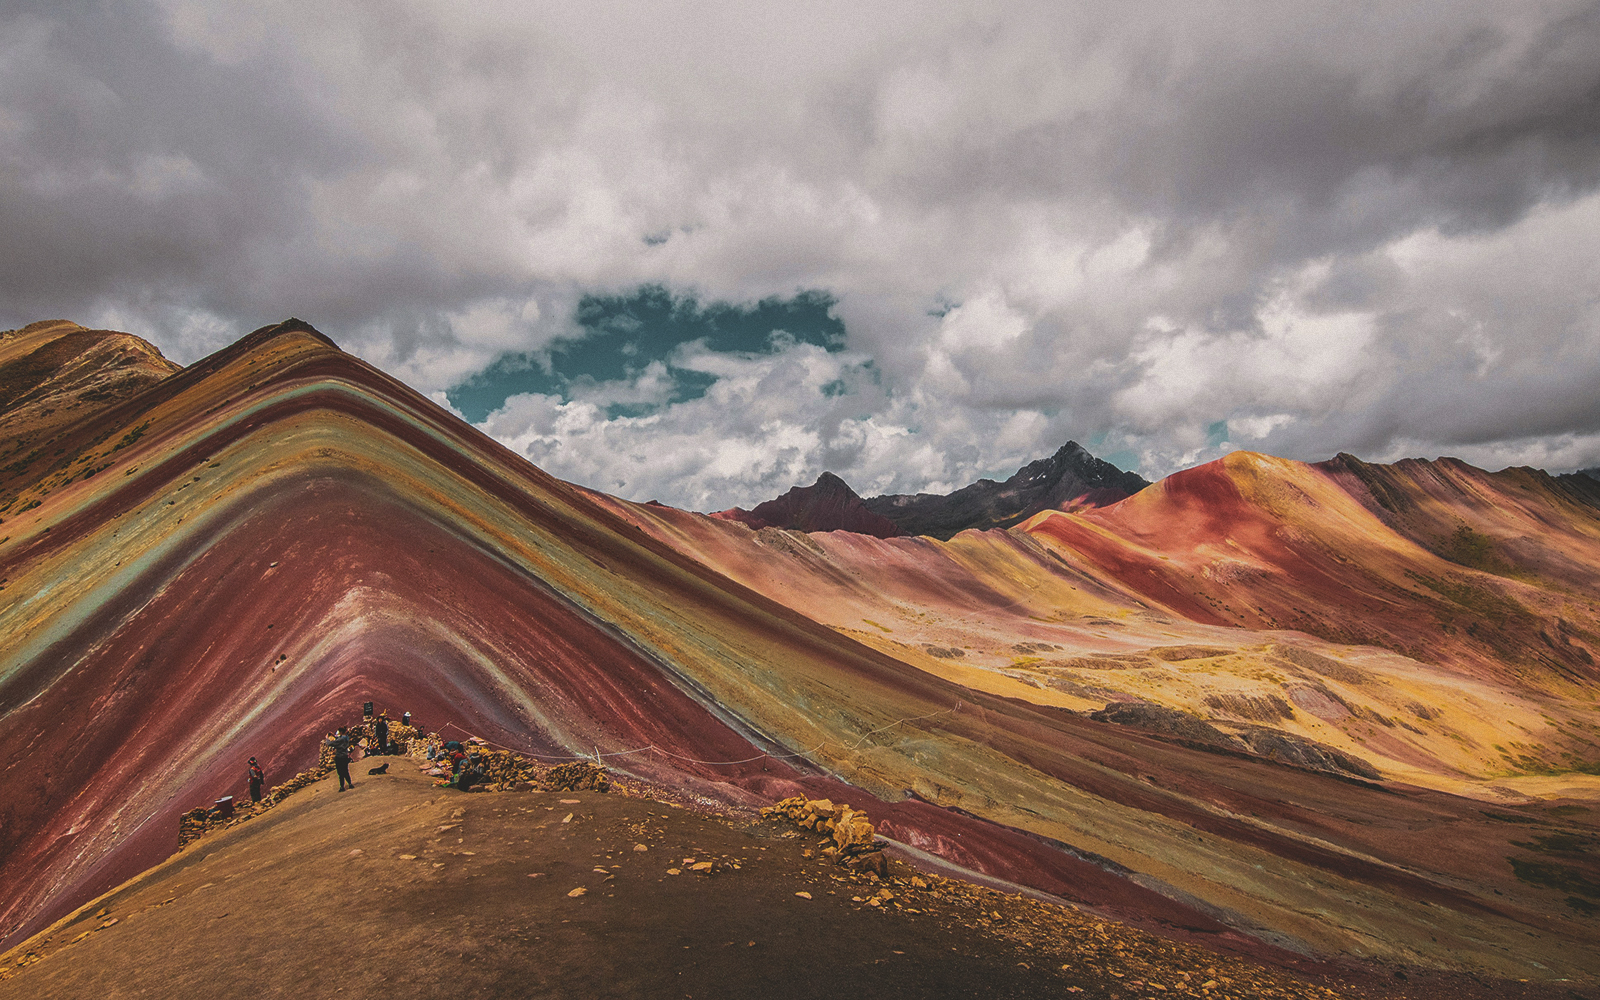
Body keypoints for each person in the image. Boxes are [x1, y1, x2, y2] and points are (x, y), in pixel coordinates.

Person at [326, 726, 356, 792]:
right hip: (345, 756)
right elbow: (339, 738)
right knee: (346, 771)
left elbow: (331, 743)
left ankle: (342, 787)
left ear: (341, 732)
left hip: (339, 757)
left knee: (340, 772)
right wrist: (334, 736)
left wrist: (327, 738)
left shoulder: (341, 739)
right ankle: (350, 784)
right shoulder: (346, 738)